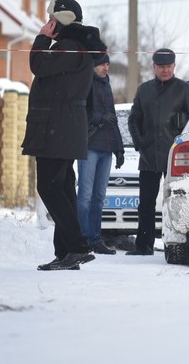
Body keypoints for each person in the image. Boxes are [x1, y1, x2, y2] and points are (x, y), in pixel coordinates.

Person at [21, 0, 105, 271]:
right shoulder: (78, 47)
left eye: (51, 21)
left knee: (49, 186)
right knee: (64, 188)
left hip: (57, 127)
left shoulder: (69, 47)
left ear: (61, 21)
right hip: (66, 127)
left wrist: (41, 39)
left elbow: (39, 66)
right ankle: (66, 252)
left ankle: (78, 246)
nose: (47, 25)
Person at [127, 48, 189, 255]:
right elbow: (134, 119)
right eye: (161, 67)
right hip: (149, 155)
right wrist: (139, 143)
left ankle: (182, 243)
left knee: (179, 200)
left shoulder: (184, 90)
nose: (165, 70)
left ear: (174, 67)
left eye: (169, 67)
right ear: (154, 67)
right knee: (146, 202)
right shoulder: (144, 90)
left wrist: (184, 144)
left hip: (177, 157)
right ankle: (143, 246)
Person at [77, 53, 124, 255]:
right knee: (85, 196)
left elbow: (113, 118)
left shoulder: (107, 84)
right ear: (94, 65)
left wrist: (119, 148)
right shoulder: (84, 82)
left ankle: (96, 238)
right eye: (102, 64)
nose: (106, 67)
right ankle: (81, 238)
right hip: (88, 146)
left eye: (107, 64)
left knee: (99, 197)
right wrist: (99, 117)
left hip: (107, 148)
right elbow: (80, 112)